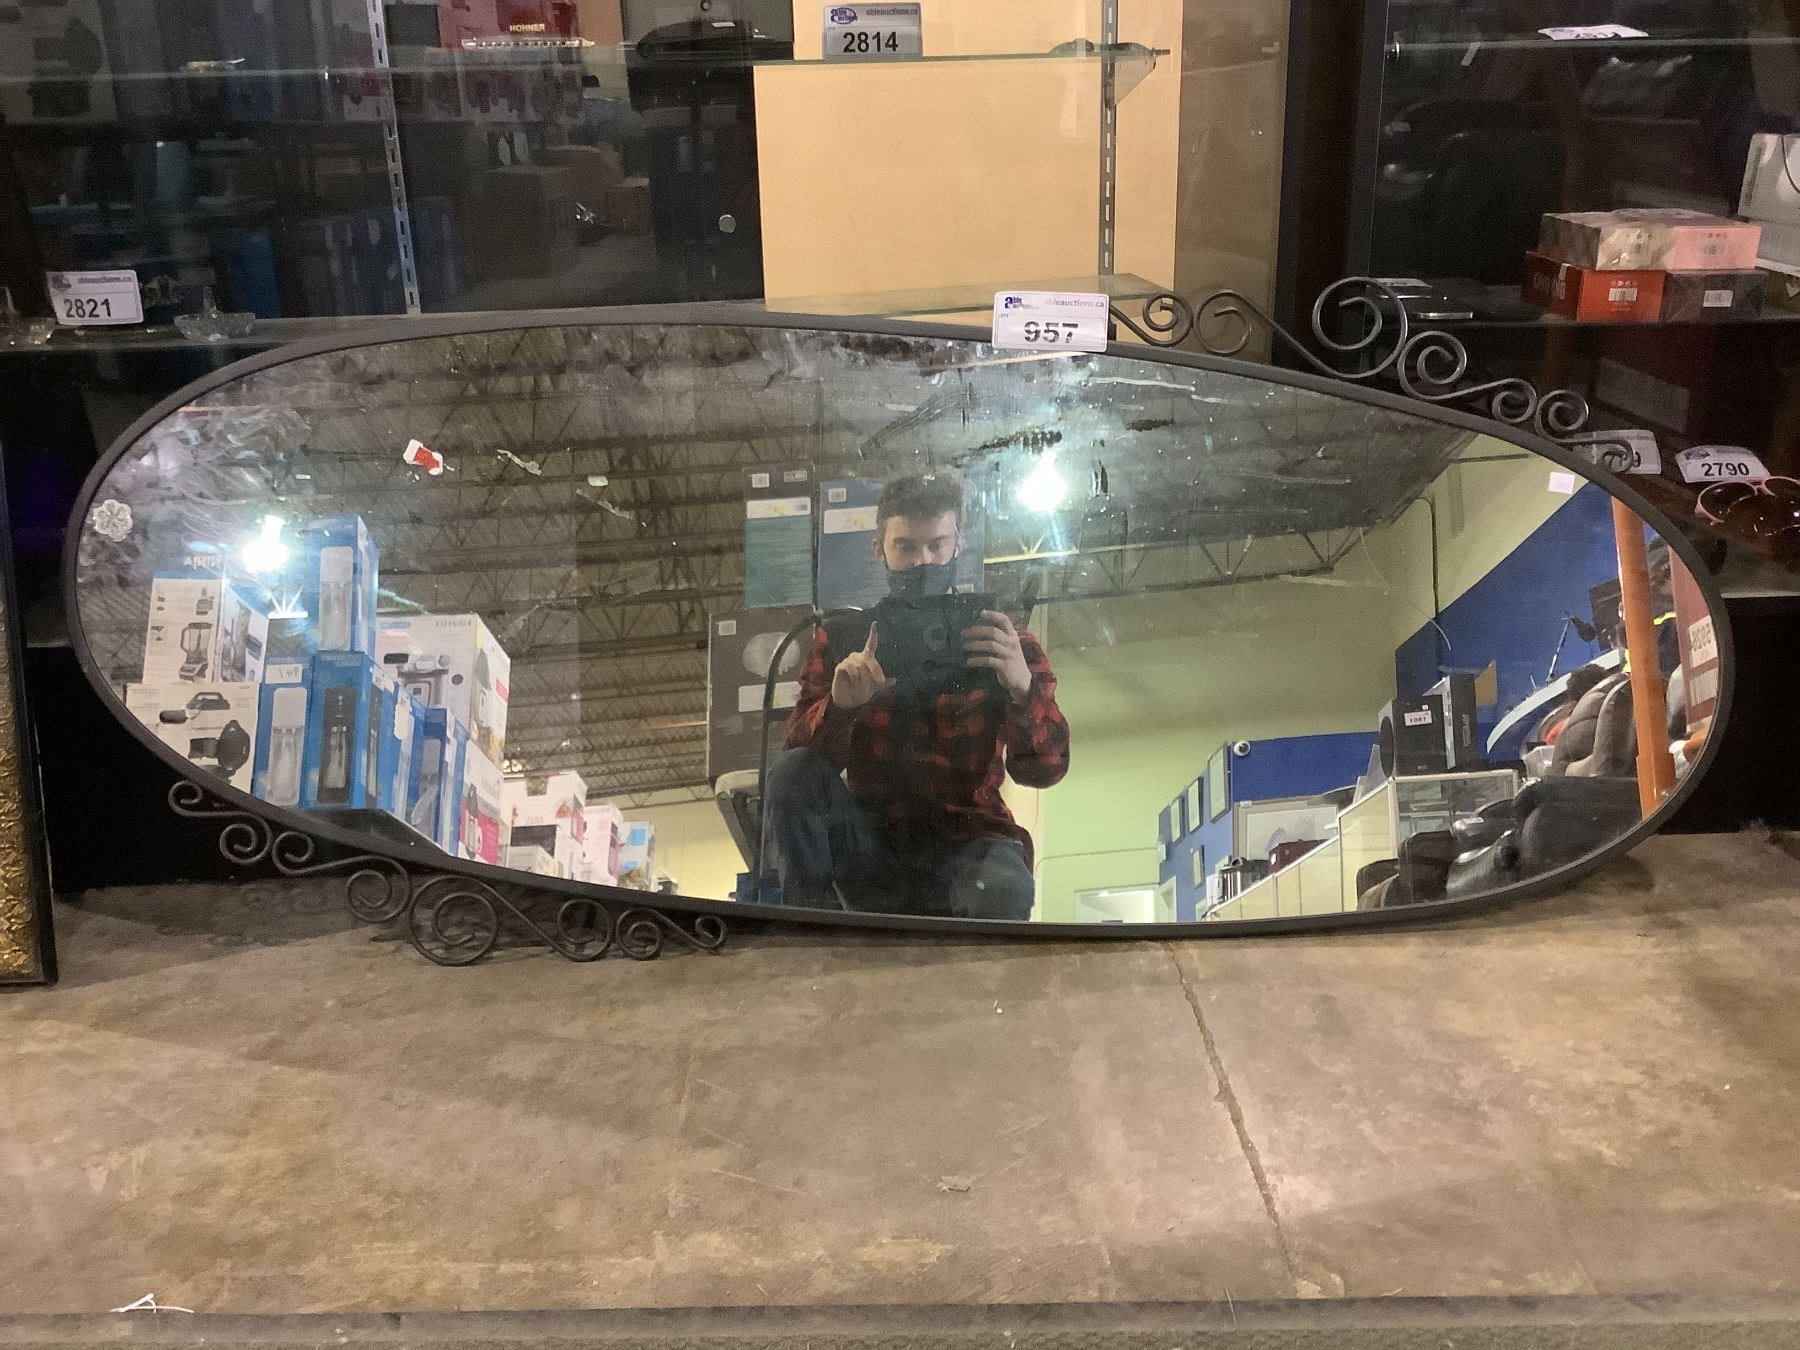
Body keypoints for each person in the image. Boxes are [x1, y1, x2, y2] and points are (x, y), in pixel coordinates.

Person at [763, 472, 1069, 920]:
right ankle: (813, 933)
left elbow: (1045, 771)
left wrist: (1023, 689)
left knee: (1002, 888)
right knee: (793, 770)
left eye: (936, 545)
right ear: (880, 548)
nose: (923, 561)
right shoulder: (845, 641)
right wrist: (840, 709)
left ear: (958, 544)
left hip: (973, 841)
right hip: (873, 849)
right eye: (905, 547)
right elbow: (797, 776)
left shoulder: (1003, 641)